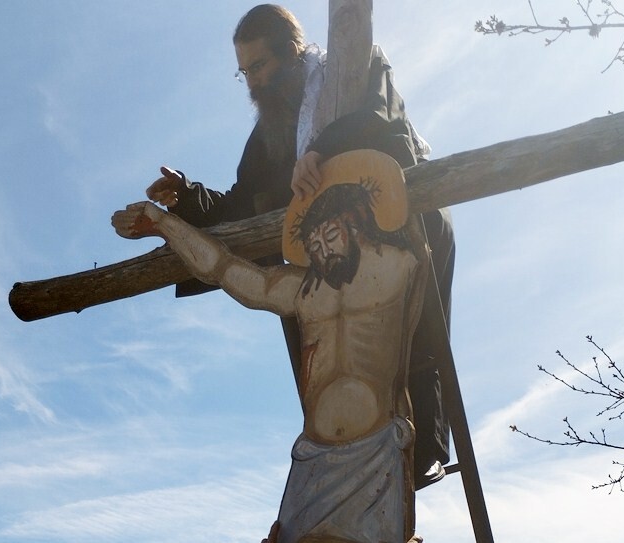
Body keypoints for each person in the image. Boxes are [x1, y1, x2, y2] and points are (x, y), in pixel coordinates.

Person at [144, 3, 454, 489]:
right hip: (325, 257)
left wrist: (323, 147)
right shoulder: (268, 133)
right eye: (243, 72)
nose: (252, 82)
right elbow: (242, 205)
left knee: (409, 345)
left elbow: (387, 127)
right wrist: (186, 196)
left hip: (398, 234)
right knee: (324, 370)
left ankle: (421, 456)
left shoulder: (353, 67)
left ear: (291, 52)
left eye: (260, 66)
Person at [114, 150, 426, 543]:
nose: (323, 252)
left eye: (330, 237)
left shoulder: (400, 267)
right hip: (313, 457)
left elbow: (414, 208)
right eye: (313, 244)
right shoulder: (305, 290)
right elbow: (224, 270)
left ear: (355, 223)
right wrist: (165, 225)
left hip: (376, 451)